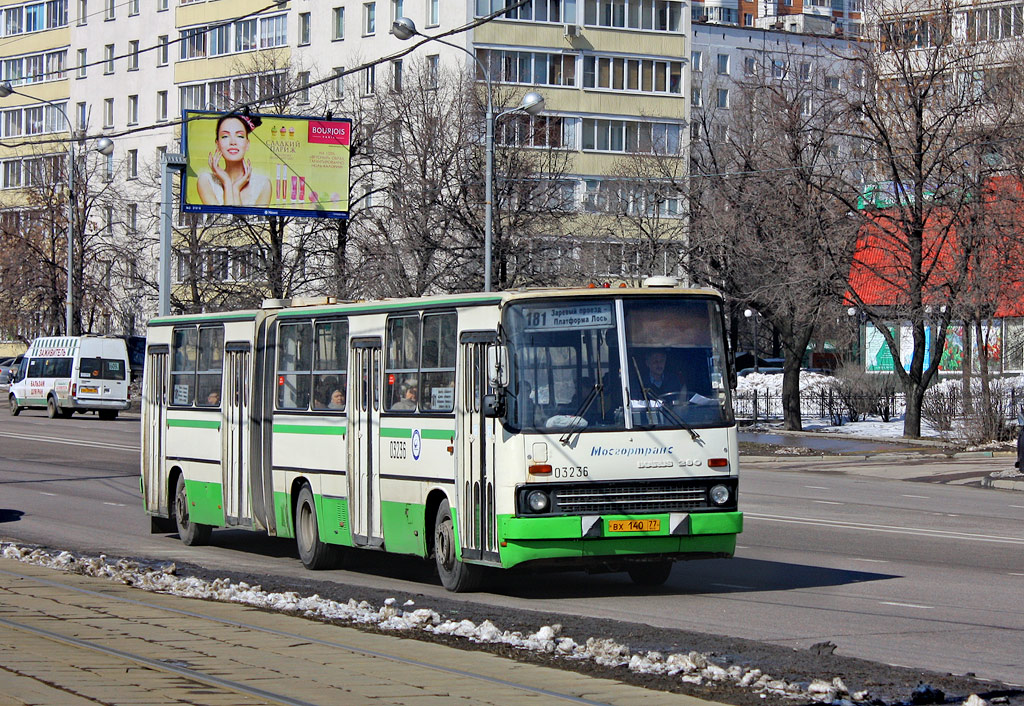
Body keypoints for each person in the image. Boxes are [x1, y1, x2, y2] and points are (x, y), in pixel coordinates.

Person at [196, 113, 272, 207]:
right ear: (217, 144)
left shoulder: (263, 184)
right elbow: (224, 220)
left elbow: (244, 221)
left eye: (240, 136)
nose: (233, 142)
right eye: (225, 136)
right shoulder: (206, 180)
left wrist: (236, 189)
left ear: (247, 144)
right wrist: (227, 182)